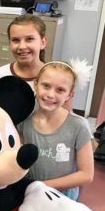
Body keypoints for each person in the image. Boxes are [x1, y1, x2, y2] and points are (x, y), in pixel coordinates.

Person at [18, 60, 94, 202]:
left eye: (60, 90)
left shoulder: (78, 126)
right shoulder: (24, 122)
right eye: (46, 86)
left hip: (63, 198)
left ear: (69, 95)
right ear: (36, 84)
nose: (51, 95)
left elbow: (86, 174)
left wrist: (42, 186)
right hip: (29, 194)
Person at [0, 14, 47, 90]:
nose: (22, 46)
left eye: (29, 39)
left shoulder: (55, 78)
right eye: (15, 40)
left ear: (43, 42)